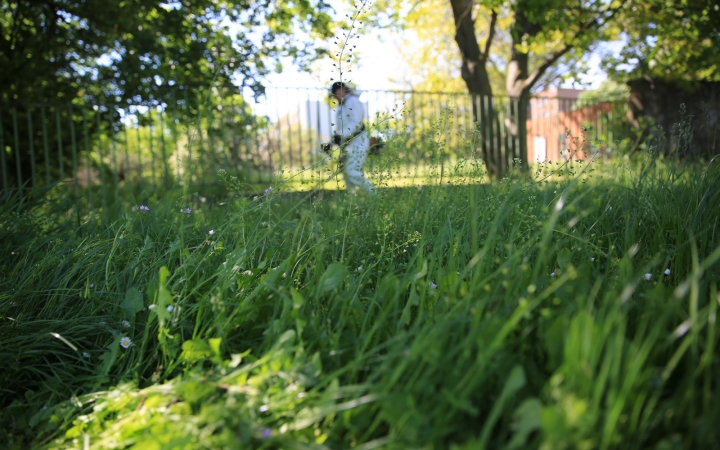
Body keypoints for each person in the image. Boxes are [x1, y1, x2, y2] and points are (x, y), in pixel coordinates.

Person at [328, 81, 374, 193]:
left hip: (359, 141)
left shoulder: (352, 101)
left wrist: (339, 136)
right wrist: (332, 142)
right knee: (347, 174)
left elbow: (356, 123)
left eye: (335, 93)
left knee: (352, 172)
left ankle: (375, 196)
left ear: (342, 90)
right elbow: (342, 128)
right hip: (349, 144)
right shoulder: (342, 106)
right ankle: (353, 204)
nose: (335, 97)